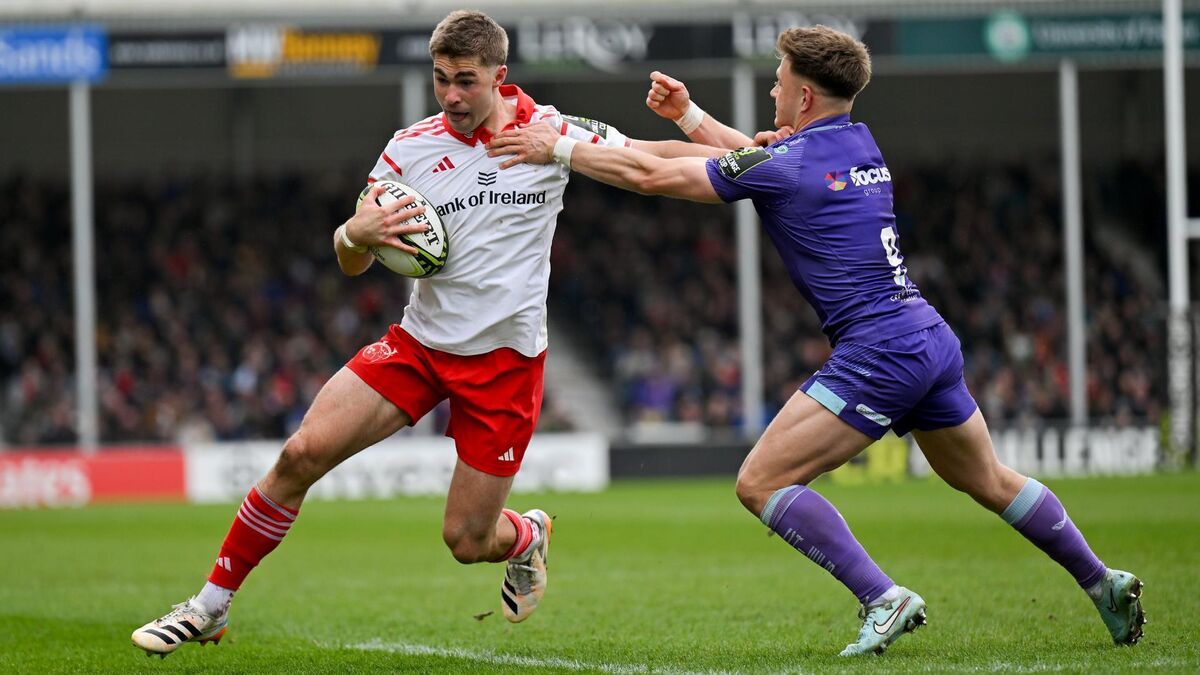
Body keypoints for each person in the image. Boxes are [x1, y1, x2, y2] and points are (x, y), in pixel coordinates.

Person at [487, 24, 1146, 656]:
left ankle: (881, 596)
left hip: (879, 349)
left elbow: (660, 177)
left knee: (760, 481)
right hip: (927, 336)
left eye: (778, 83)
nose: (773, 93)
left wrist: (563, 150)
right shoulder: (857, 142)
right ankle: (1102, 580)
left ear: (803, 95)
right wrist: (688, 118)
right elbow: (749, 160)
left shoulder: (791, 161)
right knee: (991, 479)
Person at [130, 10, 728, 658]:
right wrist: (351, 236)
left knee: (467, 541)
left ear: (500, 76)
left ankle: (526, 536)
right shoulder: (408, 147)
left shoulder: (552, 130)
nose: (450, 95)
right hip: (418, 346)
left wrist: (748, 154)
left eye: (465, 81)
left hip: (504, 366)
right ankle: (208, 605)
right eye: (441, 79)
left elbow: (653, 158)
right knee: (300, 454)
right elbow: (354, 250)